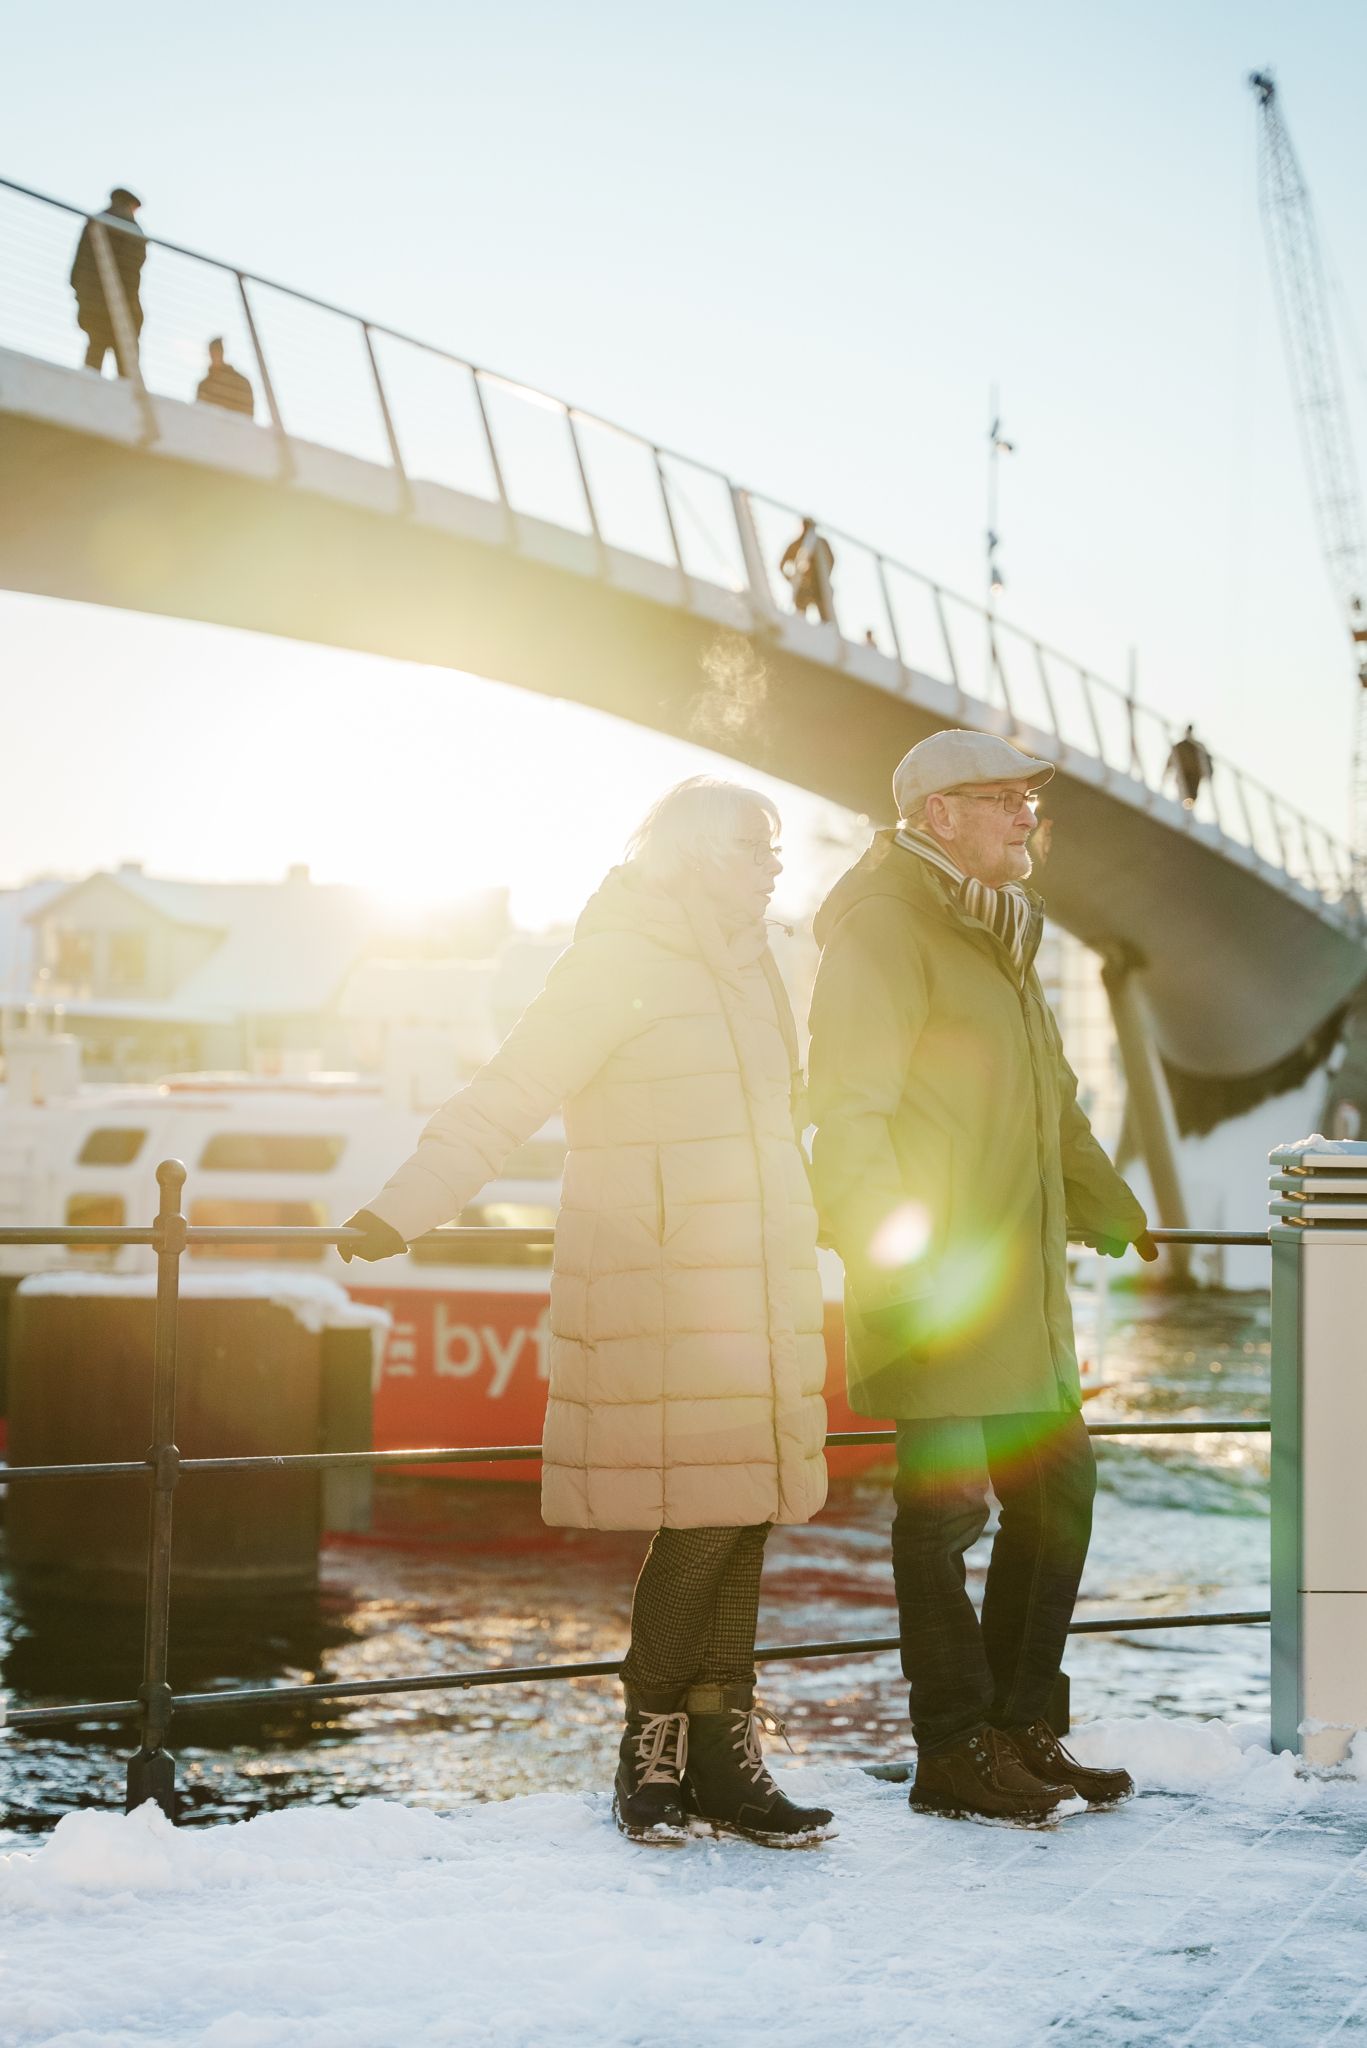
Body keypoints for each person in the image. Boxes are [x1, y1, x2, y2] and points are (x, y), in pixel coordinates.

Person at [340, 778, 835, 1850]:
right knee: (703, 1523)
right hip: (663, 1282)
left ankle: (723, 1755)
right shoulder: (617, 957)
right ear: (696, 856)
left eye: (775, 846)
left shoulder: (759, 968)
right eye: (755, 846)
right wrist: (402, 1208)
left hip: (756, 1280)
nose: (772, 864)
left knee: (742, 1511)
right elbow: (510, 1090)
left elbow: (777, 1125)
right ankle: (649, 1749)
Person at [807, 730, 1156, 1823]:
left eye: (1026, 799)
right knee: (942, 1518)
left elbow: (1049, 1098)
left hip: (1017, 1293)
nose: (1023, 816)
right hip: (940, 1291)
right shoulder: (884, 926)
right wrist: (890, 1265)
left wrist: (1104, 1198)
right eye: (1000, 798)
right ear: (937, 815)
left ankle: (1018, 1730)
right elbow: (845, 1115)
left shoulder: (1003, 932)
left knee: (1056, 1501)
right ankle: (949, 1748)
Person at [69, 188, 145, 376]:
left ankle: (87, 391)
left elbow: (75, 272)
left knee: (95, 352)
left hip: (92, 305)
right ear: (130, 205)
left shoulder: (94, 223)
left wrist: (83, 297)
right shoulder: (130, 227)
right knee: (126, 365)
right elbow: (132, 273)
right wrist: (134, 310)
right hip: (120, 308)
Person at [779, 517, 836, 624]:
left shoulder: (821, 543)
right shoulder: (796, 544)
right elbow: (781, 565)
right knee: (799, 618)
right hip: (803, 586)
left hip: (819, 587)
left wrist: (825, 578)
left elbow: (831, 560)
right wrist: (791, 580)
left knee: (826, 619)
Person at [196, 337, 255, 417]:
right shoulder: (204, 386)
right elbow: (200, 413)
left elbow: (248, 415)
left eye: (217, 351)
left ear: (222, 352)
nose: (215, 355)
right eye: (213, 352)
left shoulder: (240, 381)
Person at [1166, 725, 1212, 810]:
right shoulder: (1180, 746)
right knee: (1183, 794)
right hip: (1183, 776)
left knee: (1191, 796)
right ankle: (1184, 810)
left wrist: (1209, 775)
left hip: (1194, 778)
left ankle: (1187, 810)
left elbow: (1206, 762)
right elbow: (1171, 760)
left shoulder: (1198, 747)